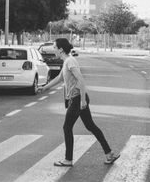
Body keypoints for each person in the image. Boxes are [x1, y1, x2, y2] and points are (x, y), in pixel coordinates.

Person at [39, 38, 119, 167]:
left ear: (60, 49)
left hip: (77, 99)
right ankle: (109, 154)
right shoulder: (66, 62)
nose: (53, 49)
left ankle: (68, 159)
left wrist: (82, 100)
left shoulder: (70, 61)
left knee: (67, 127)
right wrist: (45, 87)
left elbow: (81, 79)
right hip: (77, 99)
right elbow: (60, 78)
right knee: (91, 126)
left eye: (54, 47)